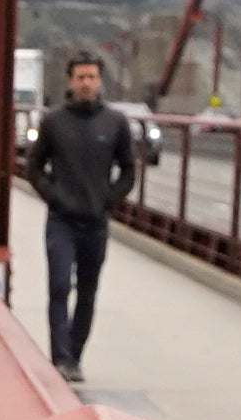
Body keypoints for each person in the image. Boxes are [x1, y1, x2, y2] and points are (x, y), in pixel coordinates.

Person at [22, 53, 152, 380]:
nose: (86, 83)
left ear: (100, 80)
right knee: (60, 285)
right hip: (61, 221)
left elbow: (128, 170)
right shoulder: (54, 122)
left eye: (92, 77)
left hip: (96, 222)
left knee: (88, 290)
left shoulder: (115, 123)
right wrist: (54, 197)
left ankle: (75, 356)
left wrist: (109, 199)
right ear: (70, 81)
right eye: (80, 77)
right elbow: (34, 167)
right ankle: (60, 358)